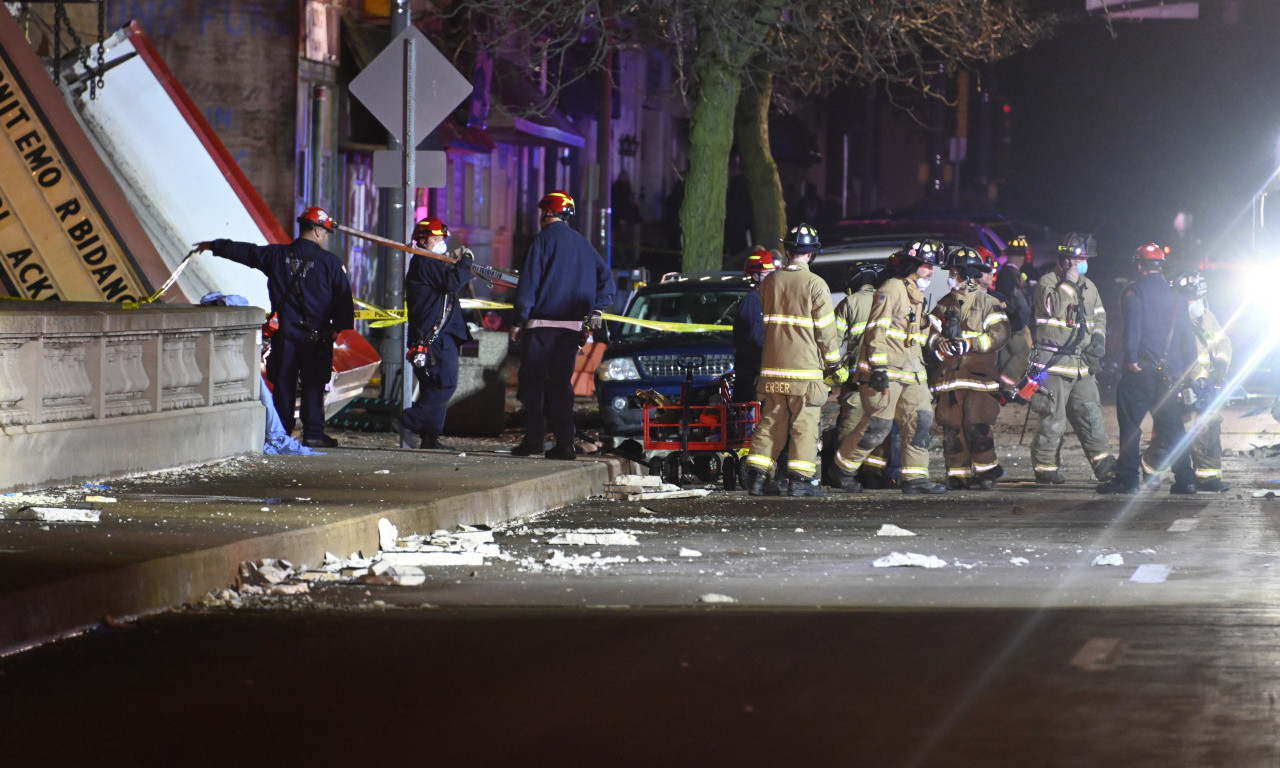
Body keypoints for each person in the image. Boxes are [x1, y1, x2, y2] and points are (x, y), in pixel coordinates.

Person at [196, 206, 354, 448]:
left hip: (286, 336)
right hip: (317, 337)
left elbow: (247, 252)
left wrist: (215, 245)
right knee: (313, 385)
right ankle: (313, 433)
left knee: (284, 384)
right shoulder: (330, 263)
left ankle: (281, 432)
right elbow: (343, 301)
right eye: (326, 232)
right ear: (319, 231)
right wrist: (338, 328)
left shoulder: (277, 256)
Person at [832, 239, 948, 495]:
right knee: (878, 426)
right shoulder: (892, 288)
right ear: (913, 265)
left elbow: (913, 333)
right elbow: (876, 330)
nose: (931, 271)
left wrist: (935, 328)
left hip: (912, 374)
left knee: (920, 421)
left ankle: (915, 478)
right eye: (927, 265)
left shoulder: (916, 295)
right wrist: (879, 370)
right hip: (887, 374)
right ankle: (843, 469)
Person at [513, 191, 616, 459]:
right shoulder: (583, 244)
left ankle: (534, 440)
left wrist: (518, 319)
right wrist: (597, 308)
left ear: (547, 212)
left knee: (532, 385)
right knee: (561, 386)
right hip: (571, 329)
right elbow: (607, 279)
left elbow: (529, 285)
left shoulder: (542, 241)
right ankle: (565, 444)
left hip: (541, 326)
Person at [743, 224, 843, 497]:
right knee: (804, 425)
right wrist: (833, 365)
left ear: (787, 250)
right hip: (805, 372)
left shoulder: (770, 281)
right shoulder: (815, 284)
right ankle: (800, 482)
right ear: (811, 254)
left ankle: (756, 478)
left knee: (771, 423)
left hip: (773, 370)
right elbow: (825, 331)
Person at [1098, 243, 1198, 495]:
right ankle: (1186, 480)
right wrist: (1185, 371)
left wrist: (1131, 358)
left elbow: (1133, 327)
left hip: (1140, 369)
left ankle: (1127, 479)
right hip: (1168, 374)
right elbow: (1187, 337)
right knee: (1173, 427)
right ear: (1160, 266)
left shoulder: (1134, 291)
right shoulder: (1176, 295)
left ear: (1139, 264)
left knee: (1131, 425)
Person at [1026, 232, 1116, 484]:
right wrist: (1068, 283)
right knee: (1053, 418)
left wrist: (1098, 340)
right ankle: (1046, 468)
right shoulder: (1048, 282)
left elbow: (1100, 316)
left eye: (1086, 259)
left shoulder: (1090, 287)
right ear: (1065, 260)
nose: (1083, 263)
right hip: (1053, 363)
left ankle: (1105, 466)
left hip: (1081, 364)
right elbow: (1051, 307)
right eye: (1079, 259)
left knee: (1091, 414)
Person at [927, 247, 1010, 489]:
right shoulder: (944, 304)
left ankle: (986, 472)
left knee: (977, 424)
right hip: (950, 380)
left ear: (966, 274)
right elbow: (929, 332)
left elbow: (1000, 335)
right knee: (952, 428)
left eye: (954, 273)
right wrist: (938, 342)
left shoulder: (988, 303)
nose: (951, 278)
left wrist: (970, 344)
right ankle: (957, 474)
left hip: (978, 379)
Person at [1142, 271, 1231, 492]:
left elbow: (1223, 344)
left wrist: (1220, 366)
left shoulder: (1207, 317)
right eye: (1193, 298)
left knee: (1209, 428)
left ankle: (1208, 477)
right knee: (1173, 434)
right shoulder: (1171, 320)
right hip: (1181, 385)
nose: (1197, 303)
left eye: (1200, 297)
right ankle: (1150, 467)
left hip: (1205, 385)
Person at [391, 217, 475, 450]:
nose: (441, 243)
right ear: (422, 240)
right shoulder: (425, 262)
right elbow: (452, 282)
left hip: (431, 336)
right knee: (445, 384)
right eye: (436, 239)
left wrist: (455, 262)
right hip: (434, 338)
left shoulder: (430, 262)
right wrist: (466, 260)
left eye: (442, 239)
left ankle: (430, 438)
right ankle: (408, 420)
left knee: (431, 387)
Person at [826, 261, 897, 487]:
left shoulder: (850, 302)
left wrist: (836, 372)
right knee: (880, 427)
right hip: (885, 379)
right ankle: (873, 474)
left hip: (856, 381)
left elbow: (833, 343)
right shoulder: (891, 300)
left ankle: (842, 473)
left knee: (850, 427)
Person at [732, 247, 777, 404]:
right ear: (754, 275)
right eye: (767, 274)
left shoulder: (769, 299)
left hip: (766, 368)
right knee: (750, 416)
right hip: (751, 373)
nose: (772, 278)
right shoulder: (752, 301)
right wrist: (760, 361)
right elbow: (749, 337)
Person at [995, 235, 1034, 397]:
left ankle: (1003, 388)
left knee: (1007, 355)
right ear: (1021, 256)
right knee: (1024, 351)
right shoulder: (1009, 275)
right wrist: (1018, 320)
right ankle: (1007, 385)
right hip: (1015, 322)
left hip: (1008, 322)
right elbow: (1014, 301)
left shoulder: (1009, 273)